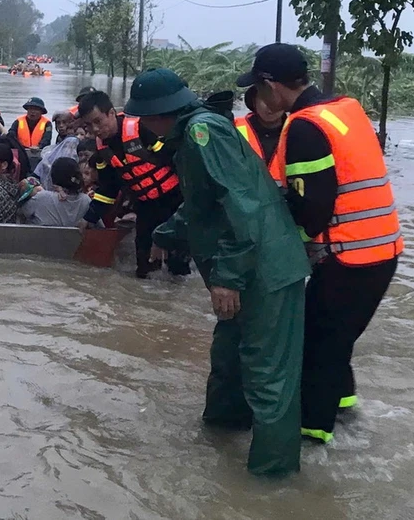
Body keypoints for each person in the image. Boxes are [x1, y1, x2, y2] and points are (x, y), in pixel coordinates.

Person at [120, 68, 310, 477]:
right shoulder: (193, 136)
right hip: (248, 266)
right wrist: (165, 234)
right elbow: (203, 205)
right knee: (228, 359)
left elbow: (244, 208)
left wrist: (227, 277)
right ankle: (221, 435)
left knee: (267, 377)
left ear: (156, 115)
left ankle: (272, 480)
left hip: (264, 271)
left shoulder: (202, 135)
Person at [237, 43, 404, 444]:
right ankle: (345, 411)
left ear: (271, 86)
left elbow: (312, 210)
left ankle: (313, 440)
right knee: (336, 339)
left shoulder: (306, 126)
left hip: (348, 257)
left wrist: (279, 252)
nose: (261, 100)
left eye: (260, 90)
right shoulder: (345, 108)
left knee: (315, 347)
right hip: (383, 250)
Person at [76, 90, 189, 279]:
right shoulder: (102, 149)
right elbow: (107, 190)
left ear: (111, 113)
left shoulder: (141, 129)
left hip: (175, 200)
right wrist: (89, 217)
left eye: (98, 121)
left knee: (178, 264)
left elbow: (174, 158)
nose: (95, 129)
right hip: (145, 205)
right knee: (144, 263)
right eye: (88, 125)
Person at [20, 157, 92, 227]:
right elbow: (98, 226)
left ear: (52, 177)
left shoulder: (42, 197)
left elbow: (21, 212)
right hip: (76, 239)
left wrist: (33, 190)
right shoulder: (86, 200)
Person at [234, 85, 285, 173]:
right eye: (264, 99)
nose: (270, 106)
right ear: (254, 102)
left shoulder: (299, 130)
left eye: (276, 99)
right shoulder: (234, 128)